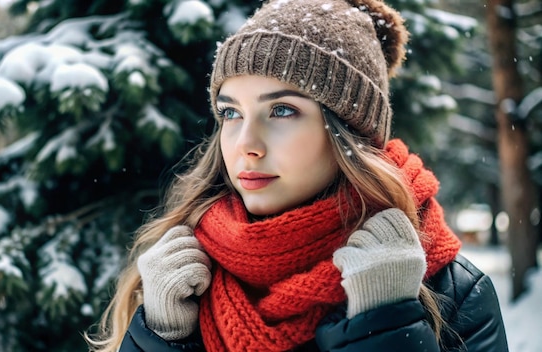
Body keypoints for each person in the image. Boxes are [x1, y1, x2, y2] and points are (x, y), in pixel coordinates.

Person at [87, 0, 509, 351]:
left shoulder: (450, 290)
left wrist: (386, 322)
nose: (245, 144)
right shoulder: (181, 272)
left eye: (282, 110)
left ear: (352, 132)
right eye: (230, 113)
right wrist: (161, 337)